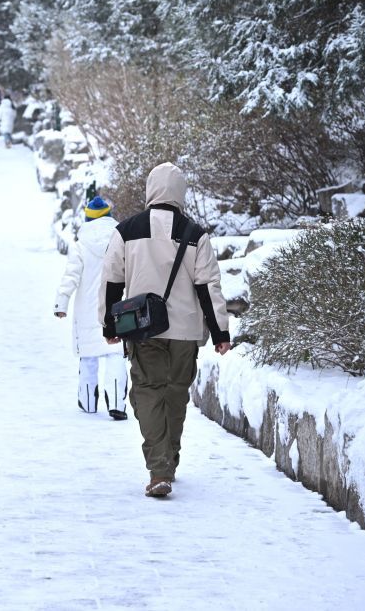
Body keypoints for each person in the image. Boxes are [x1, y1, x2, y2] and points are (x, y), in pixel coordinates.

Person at [98, 162, 232, 498]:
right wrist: (219, 333)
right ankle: (168, 459)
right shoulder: (195, 234)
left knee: (147, 392)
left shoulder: (127, 230)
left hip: (143, 328)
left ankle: (160, 469)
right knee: (175, 395)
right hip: (185, 330)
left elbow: (112, 279)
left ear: (150, 190)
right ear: (180, 193)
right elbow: (209, 286)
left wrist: (109, 324)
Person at [54, 196, 129, 420]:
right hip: (116, 306)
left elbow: (71, 276)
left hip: (88, 311)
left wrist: (61, 302)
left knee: (88, 357)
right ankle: (116, 403)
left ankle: (87, 402)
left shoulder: (80, 244)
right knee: (115, 354)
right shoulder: (121, 240)